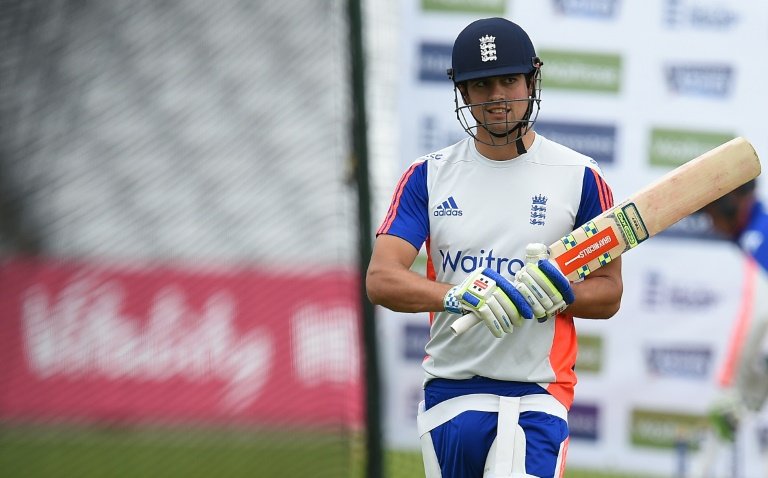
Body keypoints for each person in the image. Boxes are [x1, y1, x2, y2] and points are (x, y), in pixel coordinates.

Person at [366, 17, 623, 478]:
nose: (498, 96)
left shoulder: (580, 176)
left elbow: (609, 292)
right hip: (452, 390)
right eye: (481, 85)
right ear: (463, 94)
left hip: (539, 393)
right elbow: (382, 279)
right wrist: (455, 294)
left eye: (509, 80)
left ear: (531, 80)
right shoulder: (428, 175)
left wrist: (560, 293)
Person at [695, 179, 768, 475]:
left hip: (757, 362)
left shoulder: (758, 239)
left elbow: (759, 314)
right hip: (755, 371)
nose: (711, 224)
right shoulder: (752, 233)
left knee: (731, 406)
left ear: (730, 203)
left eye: (712, 212)